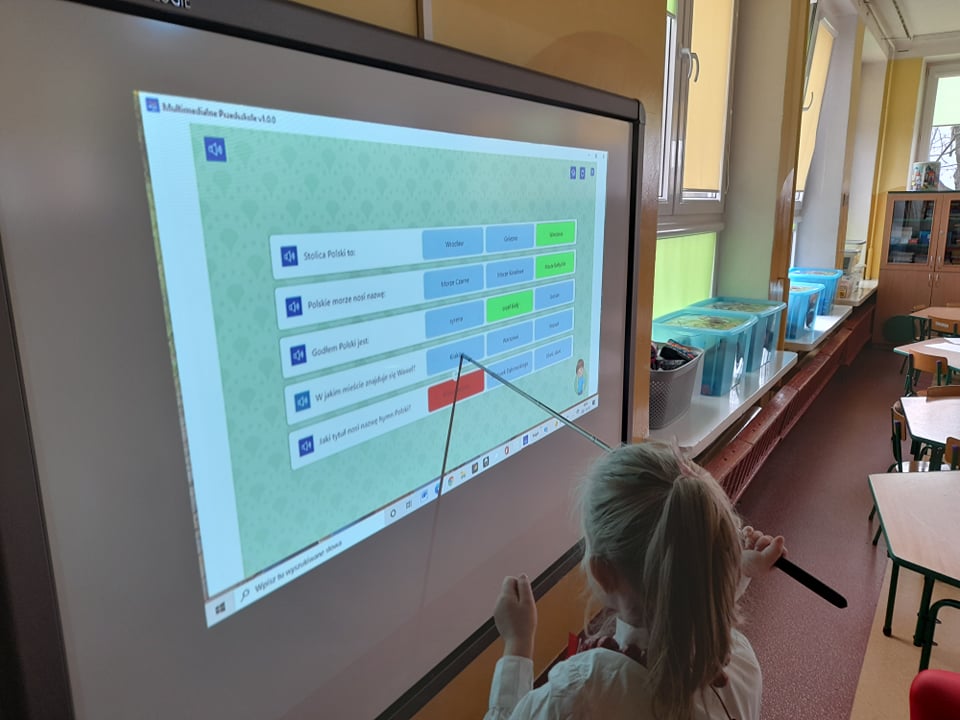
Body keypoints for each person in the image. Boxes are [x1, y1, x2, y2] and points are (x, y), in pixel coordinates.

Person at [484, 441, 785, 720]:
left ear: (603, 573)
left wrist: (518, 642)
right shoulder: (741, 662)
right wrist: (733, 569)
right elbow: (685, 598)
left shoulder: (580, 693)